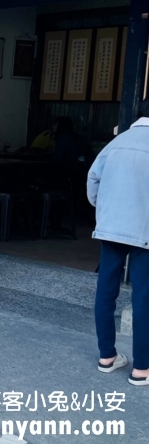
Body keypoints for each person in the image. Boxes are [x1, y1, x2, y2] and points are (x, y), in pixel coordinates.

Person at [87, 98, 149, 386]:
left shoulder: (117, 142)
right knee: (144, 297)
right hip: (145, 232)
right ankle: (141, 369)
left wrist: (104, 210)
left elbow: (93, 179)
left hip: (110, 227)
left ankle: (107, 357)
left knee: (106, 292)